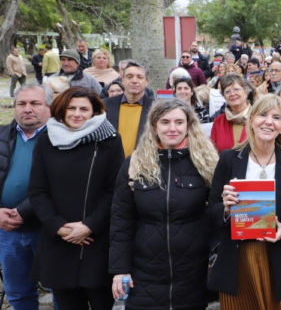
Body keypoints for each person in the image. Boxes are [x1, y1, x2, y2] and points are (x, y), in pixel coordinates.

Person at [109, 99, 219, 310]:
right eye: (165, 122)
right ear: (154, 126)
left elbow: (215, 215)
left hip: (193, 270)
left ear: (188, 126)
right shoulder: (134, 164)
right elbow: (121, 220)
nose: (172, 128)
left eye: (179, 122)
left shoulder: (207, 163)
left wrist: (214, 261)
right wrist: (119, 269)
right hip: (145, 270)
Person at [28, 86, 124, 309]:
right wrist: (58, 226)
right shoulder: (46, 140)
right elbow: (37, 190)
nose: (77, 114)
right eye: (71, 108)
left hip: (96, 241)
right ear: (62, 109)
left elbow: (115, 190)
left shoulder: (109, 140)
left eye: (84, 109)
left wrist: (89, 225)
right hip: (59, 242)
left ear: (94, 112)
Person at [207, 95, 281, 310]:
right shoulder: (229, 159)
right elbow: (211, 209)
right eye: (262, 114)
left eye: (276, 117)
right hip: (236, 261)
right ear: (251, 120)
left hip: (277, 260)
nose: (268, 121)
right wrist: (225, 209)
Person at [0, 84, 52, 309]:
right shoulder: (1, 135)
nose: (27, 109)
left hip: (48, 229)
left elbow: (63, 185)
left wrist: (24, 211)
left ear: (48, 106)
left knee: (59, 289)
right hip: (7, 230)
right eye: (21, 104)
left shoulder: (62, 138)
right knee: (18, 292)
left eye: (35, 103)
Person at [103, 60, 154, 158]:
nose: (134, 80)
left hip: (143, 165)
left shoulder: (156, 108)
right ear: (122, 80)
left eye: (139, 77)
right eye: (129, 77)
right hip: (110, 166)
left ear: (146, 82)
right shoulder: (105, 105)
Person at [211, 74, 255, 153]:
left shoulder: (257, 118)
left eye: (236, 89)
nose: (232, 94)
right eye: (227, 91)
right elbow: (212, 152)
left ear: (246, 92)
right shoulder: (218, 121)